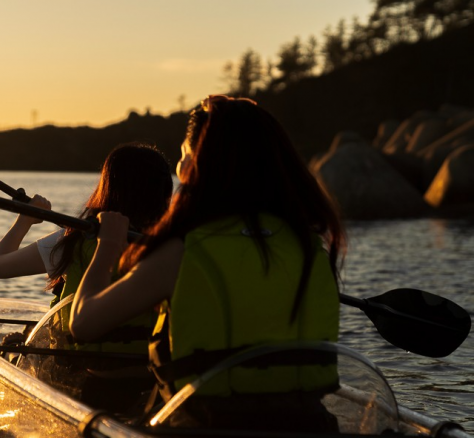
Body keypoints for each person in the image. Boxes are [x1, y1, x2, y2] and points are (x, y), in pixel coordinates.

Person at [70, 95, 345, 430]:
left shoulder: (184, 251)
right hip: (307, 426)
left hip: (209, 427)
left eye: (184, 156)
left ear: (197, 166)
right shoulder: (310, 246)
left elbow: (83, 323)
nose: (179, 170)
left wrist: (108, 247)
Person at [0, 142, 173, 414]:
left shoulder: (73, 240)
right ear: (164, 191)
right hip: (154, 376)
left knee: (14, 343)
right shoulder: (175, 244)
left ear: (107, 187)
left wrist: (25, 219)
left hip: (82, 374)